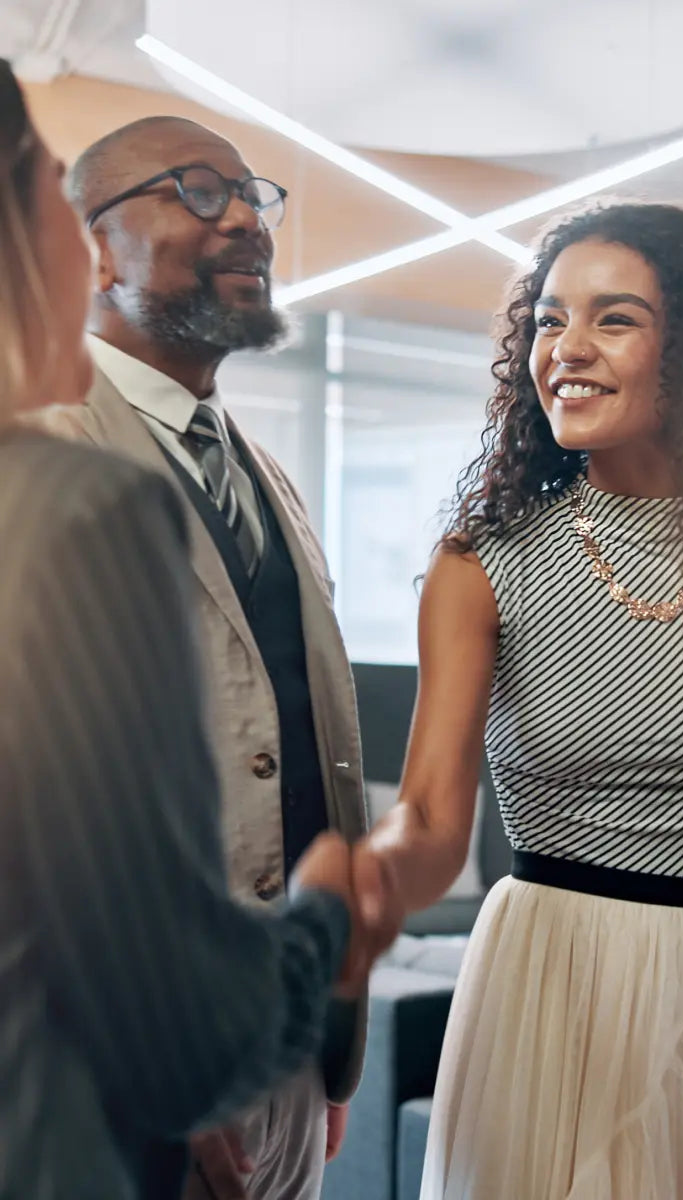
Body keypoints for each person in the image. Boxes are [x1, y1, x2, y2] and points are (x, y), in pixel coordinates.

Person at [350, 202, 683, 1199]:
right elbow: (426, 823)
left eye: (615, 319)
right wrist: (362, 886)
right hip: (551, 983)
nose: (568, 350)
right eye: (550, 321)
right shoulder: (482, 569)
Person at [0, 58, 376, 1200]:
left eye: (255, 196)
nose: (248, 223)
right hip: (154, 1054)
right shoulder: (52, 466)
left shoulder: (272, 478)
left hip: (285, 1039)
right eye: (197, 192)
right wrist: (191, 1077)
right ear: (86, 241)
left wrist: (324, 1046)